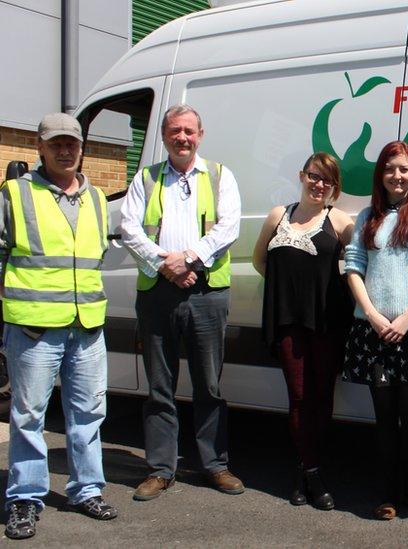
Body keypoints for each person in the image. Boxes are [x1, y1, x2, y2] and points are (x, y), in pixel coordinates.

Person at [0, 113, 117, 539]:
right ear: (40, 147)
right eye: (57, 144)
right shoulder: (16, 193)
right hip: (33, 328)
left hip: (86, 326)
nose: (65, 150)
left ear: (82, 147)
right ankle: (26, 497)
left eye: (72, 143)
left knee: (88, 413)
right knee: (29, 415)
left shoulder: (98, 199)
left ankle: (86, 489)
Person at [120, 104, 243, 500]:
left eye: (189, 131)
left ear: (200, 135)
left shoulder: (220, 176)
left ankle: (215, 465)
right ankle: (160, 469)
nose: (183, 138)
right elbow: (128, 228)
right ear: (163, 136)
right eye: (175, 131)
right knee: (160, 386)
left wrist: (188, 258)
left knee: (209, 384)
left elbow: (229, 227)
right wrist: (166, 264)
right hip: (158, 293)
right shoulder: (146, 178)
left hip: (207, 292)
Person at [342, 140, 408, 520]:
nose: (396, 176)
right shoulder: (367, 215)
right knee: (384, 421)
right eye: (389, 169)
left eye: (403, 168)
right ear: (380, 175)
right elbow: (353, 267)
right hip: (374, 334)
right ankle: (386, 495)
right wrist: (371, 314)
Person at [252, 152, 354, 509]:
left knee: (321, 397)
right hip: (287, 322)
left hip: (327, 322)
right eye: (314, 176)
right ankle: (311, 471)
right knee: (298, 396)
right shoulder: (278, 215)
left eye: (327, 179)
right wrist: (287, 292)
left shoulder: (340, 222)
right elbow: (258, 259)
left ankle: (305, 471)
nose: (319, 184)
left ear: (334, 187)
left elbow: (356, 266)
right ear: (302, 175)